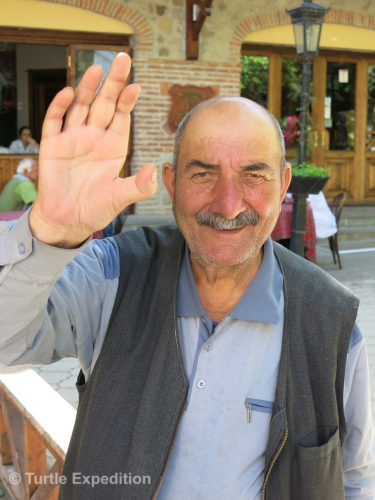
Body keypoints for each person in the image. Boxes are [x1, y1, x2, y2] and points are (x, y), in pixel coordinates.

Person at [0, 53, 374, 499]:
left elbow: (356, 478)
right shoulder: (112, 275)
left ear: (282, 184)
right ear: (172, 182)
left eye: (254, 175)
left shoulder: (331, 322)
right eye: (203, 173)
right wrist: (50, 234)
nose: (228, 204)